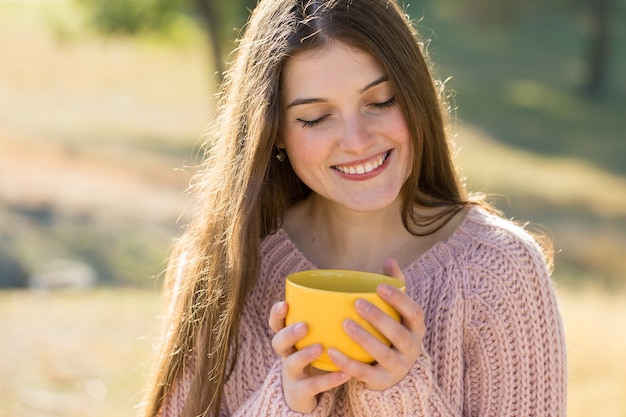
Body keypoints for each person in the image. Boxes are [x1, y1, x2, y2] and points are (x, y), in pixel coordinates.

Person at [140, 0, 567, 416]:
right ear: (276, 133)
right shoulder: (222, 266)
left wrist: (402, 397)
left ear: (417, 97)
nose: (357, 140)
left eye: (380, 101)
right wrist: (285, 404)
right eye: (315, 117)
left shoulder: (501, 271)